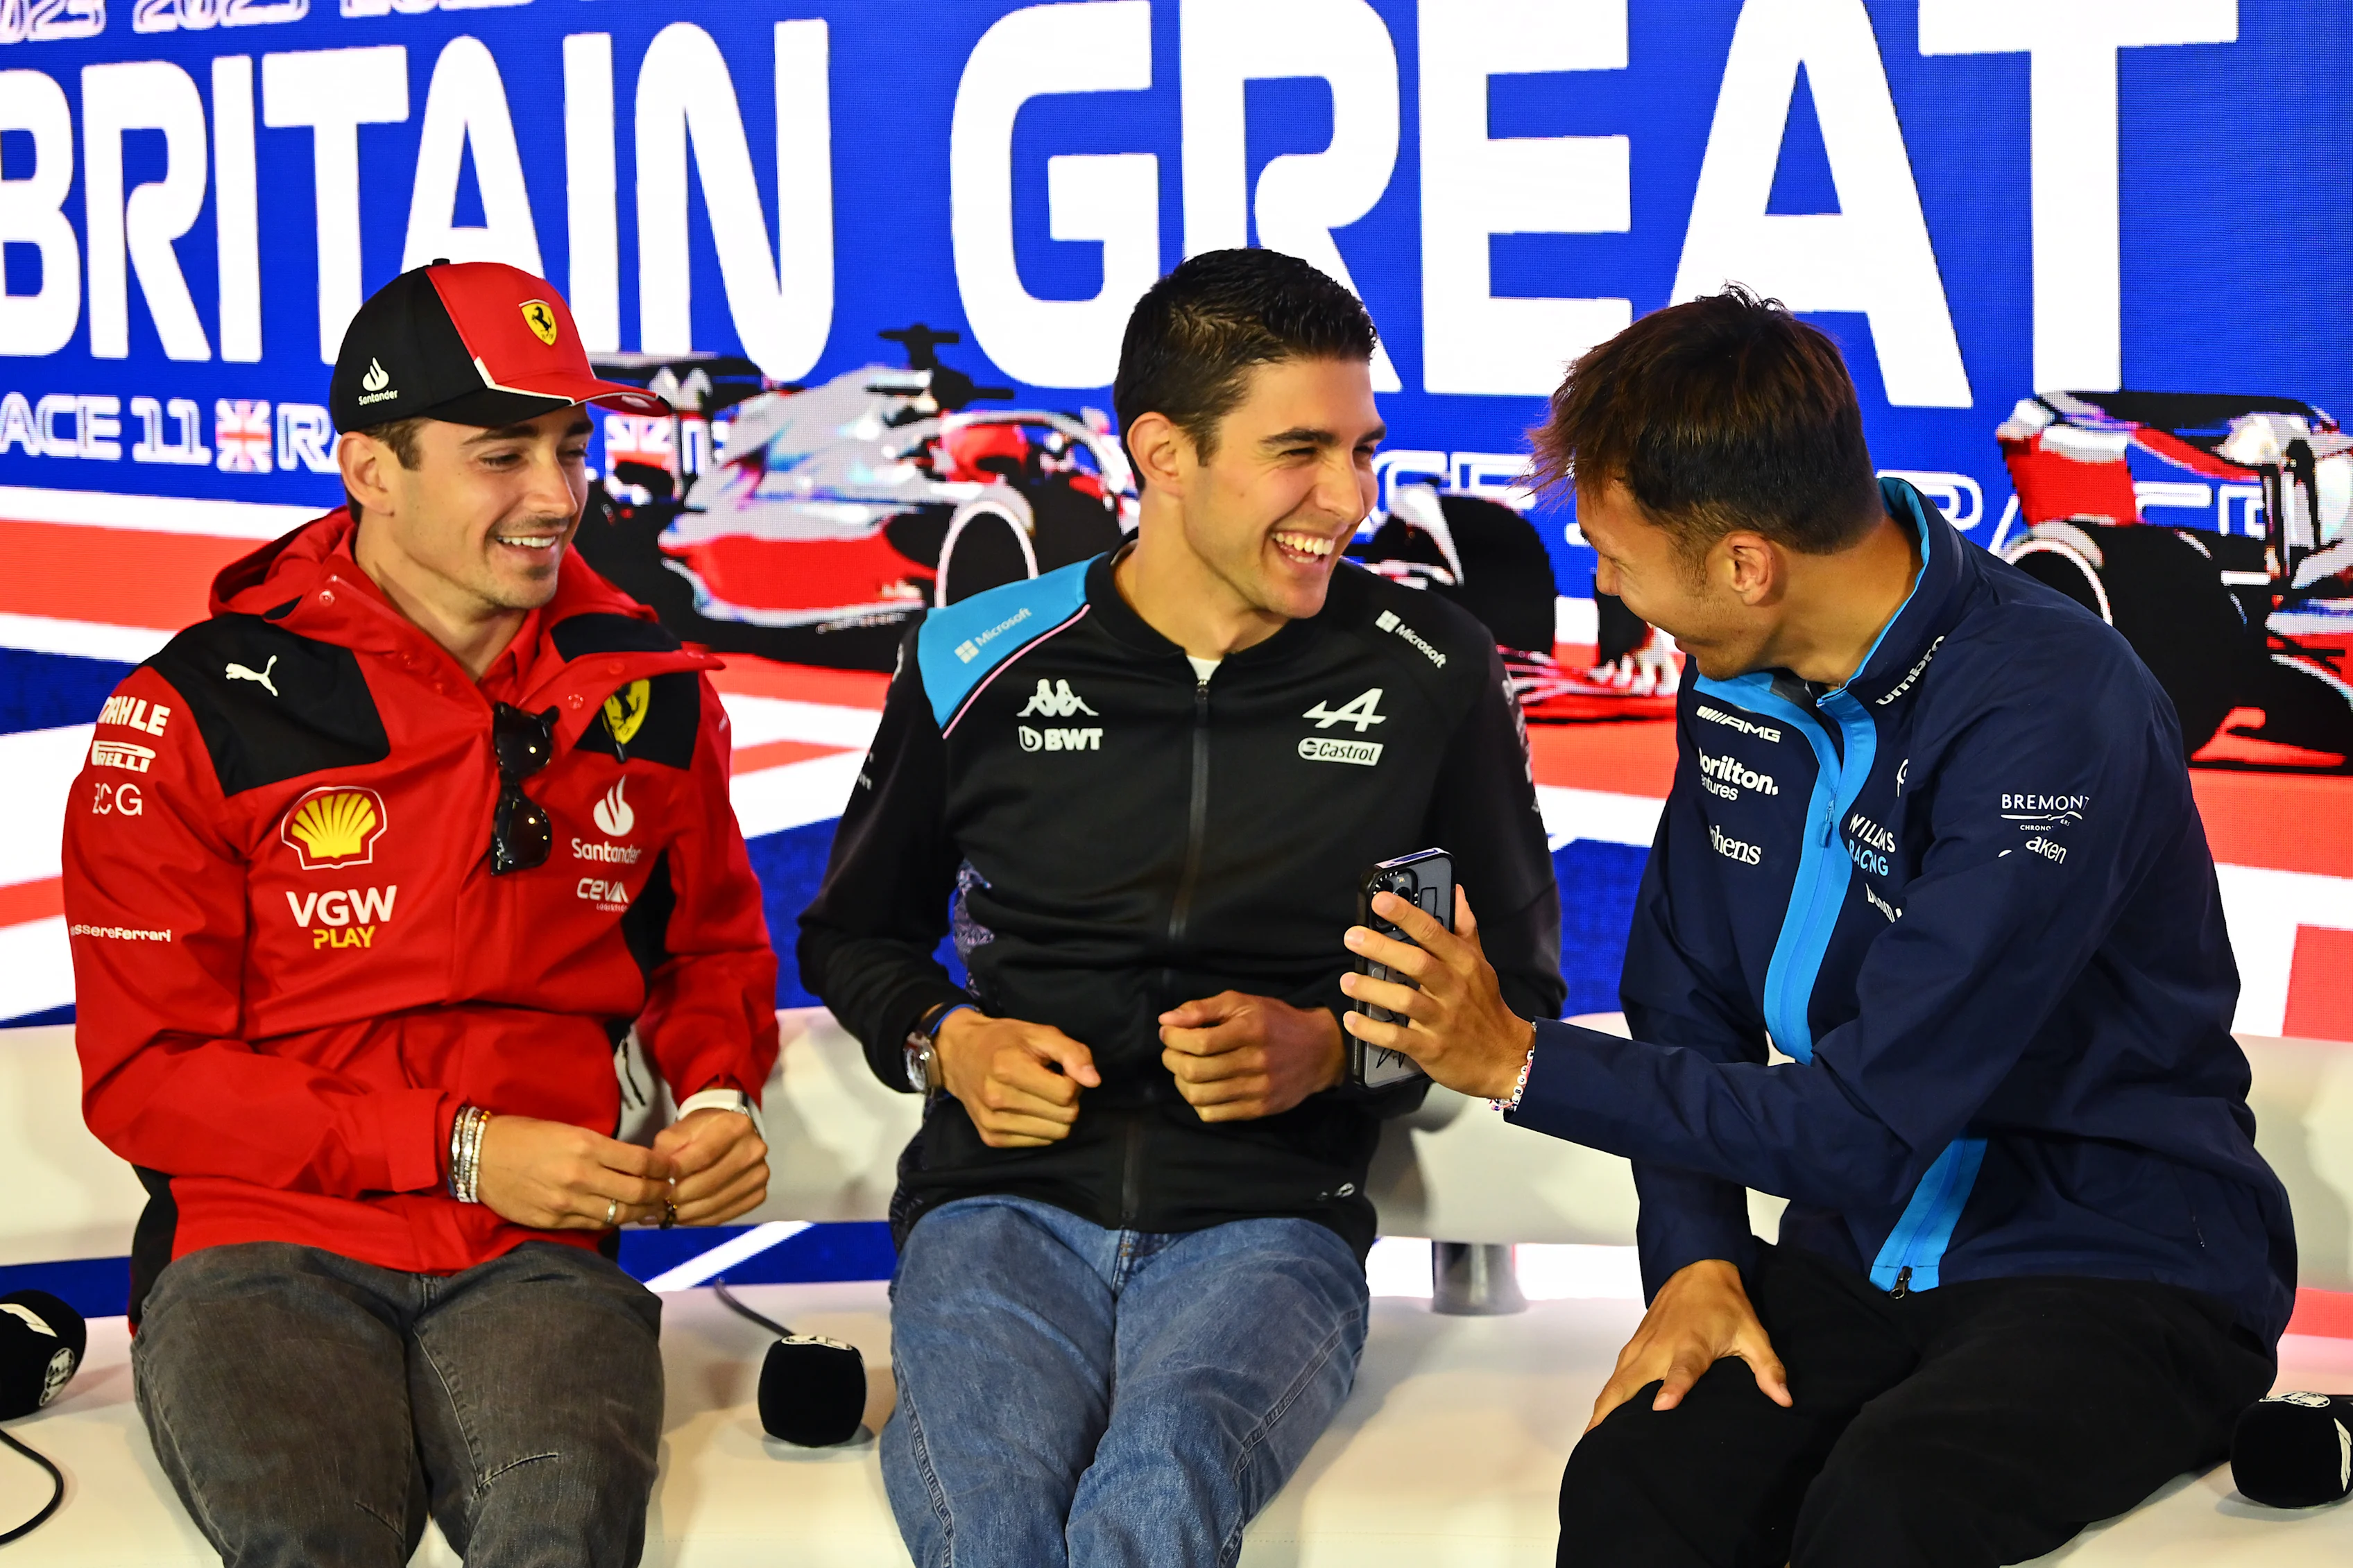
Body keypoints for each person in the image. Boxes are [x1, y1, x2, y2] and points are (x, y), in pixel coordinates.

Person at [1340, 288, 2295, 1568]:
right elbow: (1686, 1004)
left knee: (1891, 1508)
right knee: (1638, 1481)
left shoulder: (2055, 706)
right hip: (1862, 1252)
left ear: (1748, 564)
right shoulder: (1738, 674)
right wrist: (1696, 1260)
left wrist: (1516, 1058)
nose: (1604, 585)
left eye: (1616, 554)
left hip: (2120, 1263)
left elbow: (1859, 1123)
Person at [798, 248, 1564, 1567]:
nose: (1350, 499)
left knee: (1158, 1485)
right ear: (1163, 452)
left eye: (1362, 450)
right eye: (1300, 453)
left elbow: (1517, 990)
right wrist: (948, 1042)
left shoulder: (1431, 674)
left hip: (1271, 1222)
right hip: (995, 1209)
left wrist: (1330, 1051)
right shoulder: (974, 660)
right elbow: (851, 937)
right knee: (992, 1512)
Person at [62, 261, 779, 1568]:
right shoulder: (193, 710)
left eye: (571, 448)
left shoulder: (654, 691)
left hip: (540, 1248)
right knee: (315, 1544)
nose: (557, 496)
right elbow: (148, 1076)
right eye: (501, 456)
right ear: (369, 469)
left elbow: (709, 951)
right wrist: (458, 1147)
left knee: (562, 1542)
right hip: (261, 1243)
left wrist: (721, 1093)